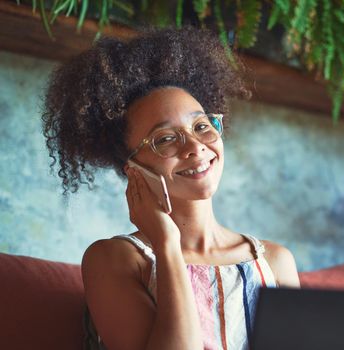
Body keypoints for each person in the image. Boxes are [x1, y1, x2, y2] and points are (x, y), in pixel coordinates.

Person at [41, 24, 300, 350]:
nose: (195, 147)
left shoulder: (275, 261)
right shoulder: (115, 259)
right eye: (165, 139)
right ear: (132, 169)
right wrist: (167, 245)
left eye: (202, 125)